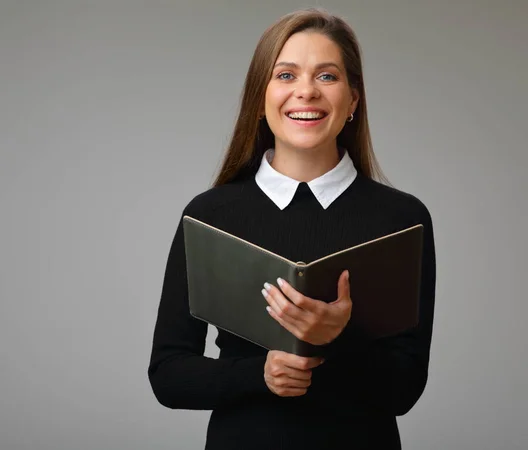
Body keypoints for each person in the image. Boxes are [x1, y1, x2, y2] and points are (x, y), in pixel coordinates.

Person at [148, 7, 436, 450]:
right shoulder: (211, 214)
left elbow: (405, 390)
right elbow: (168, 374)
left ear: (353, 100)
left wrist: (333, 341)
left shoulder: (399, 220)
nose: (306, 92)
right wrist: (259, 374)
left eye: (327, 76)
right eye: (285, 75)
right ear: (259, 98)